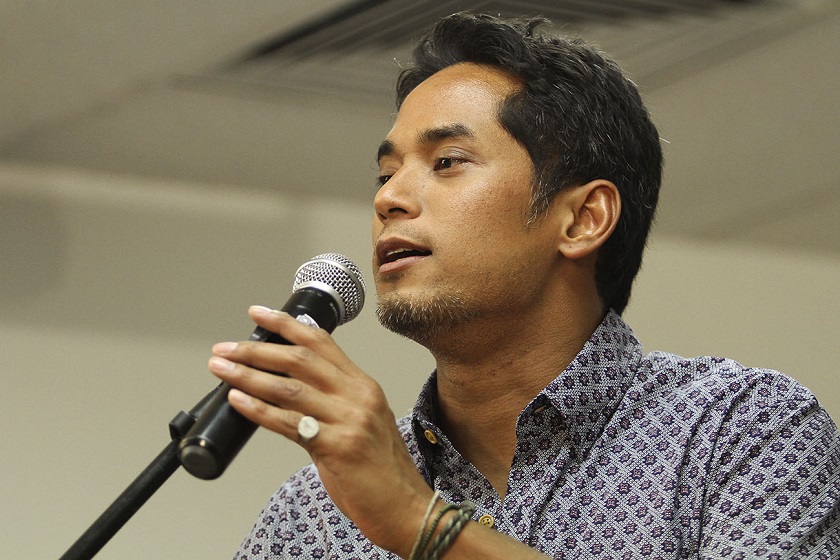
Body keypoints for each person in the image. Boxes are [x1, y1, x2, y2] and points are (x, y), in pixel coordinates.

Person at [207, 13, 840, 559]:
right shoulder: (312, 515)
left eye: (448, 161)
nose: (390, 199)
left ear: (582, 219)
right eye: (385, 172)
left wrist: (422, 526)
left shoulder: (740, 432)